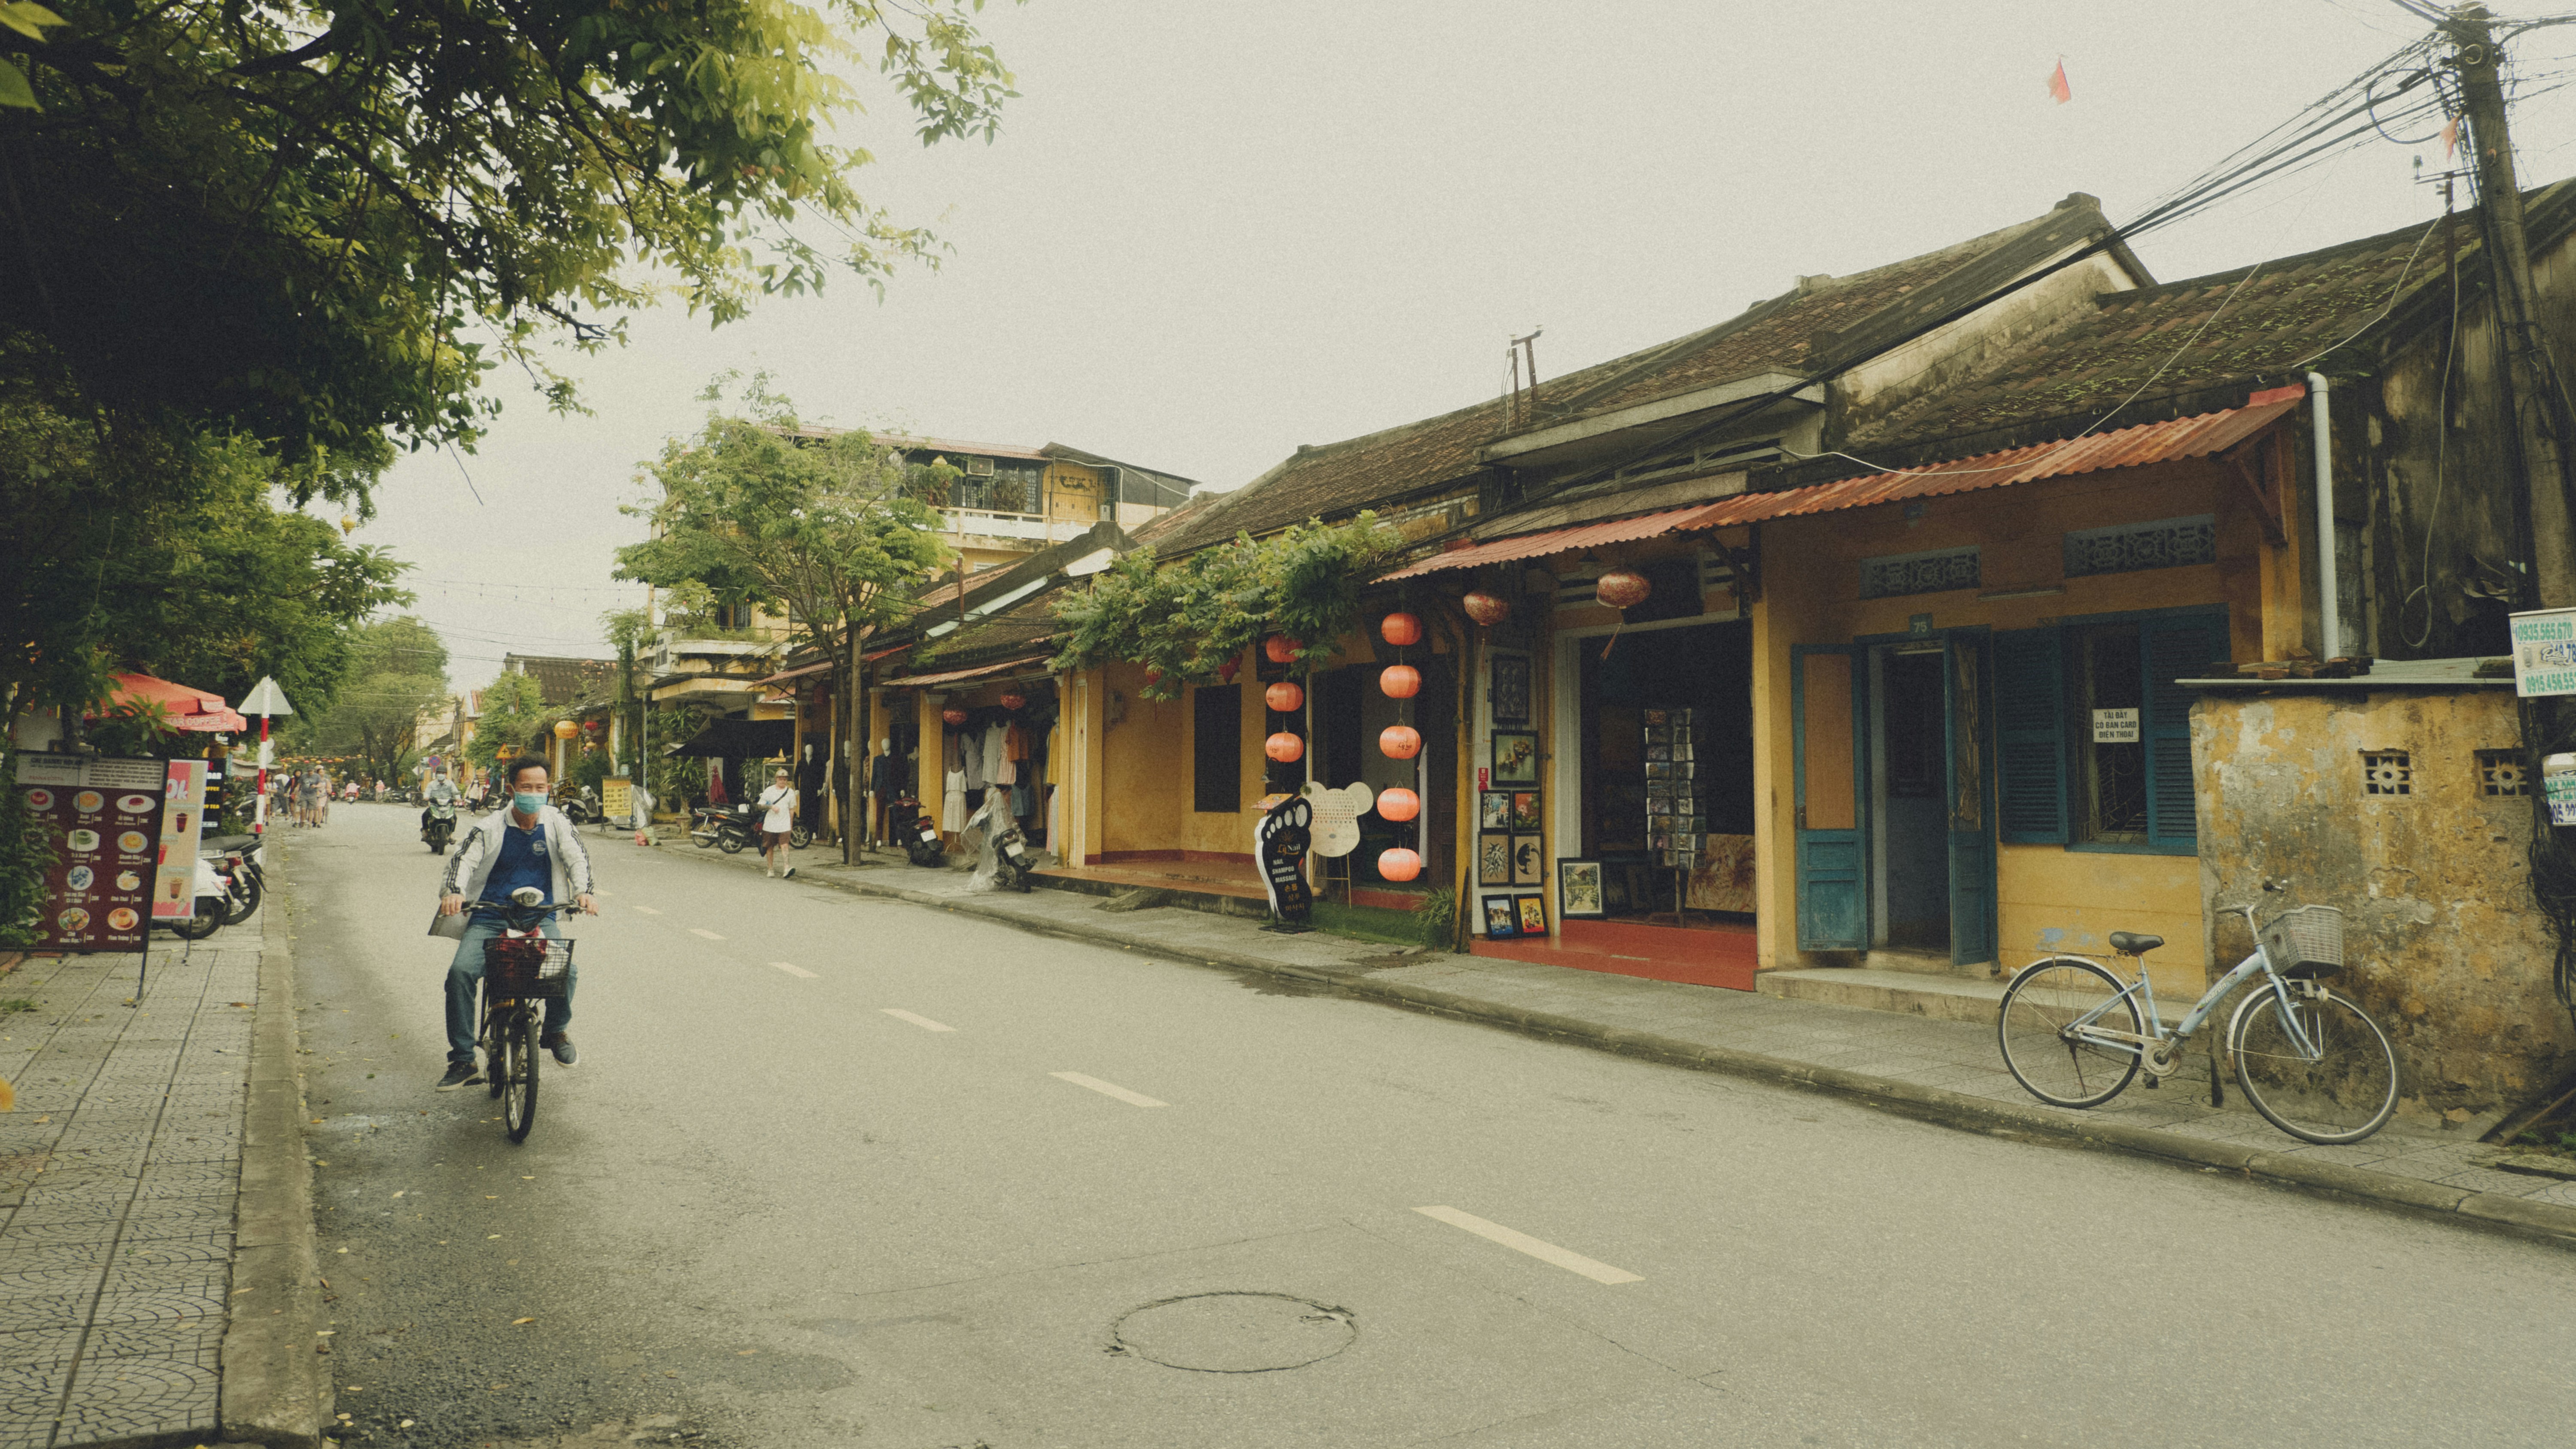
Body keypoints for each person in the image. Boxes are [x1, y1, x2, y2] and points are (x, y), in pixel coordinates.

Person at [434, 756, 596, 1088]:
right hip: (490, 915)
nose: (534, 793)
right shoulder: (489, 826)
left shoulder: (557, 823)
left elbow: (577, 857)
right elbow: (463, 861)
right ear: (512, 789)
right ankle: (463, 1059)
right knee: (461, 973)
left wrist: (584, 892)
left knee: (565, 971)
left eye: (540, 787)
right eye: (527, 787)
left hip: (539, 916)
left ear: (548, 789)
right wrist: (454, 892)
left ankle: (555, 1031)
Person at [757, 765, 797, 879]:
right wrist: (771, 807)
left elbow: (792, 809)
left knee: (785, 845)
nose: (783, 781)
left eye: (785, 779)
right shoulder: (769, 790)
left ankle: (786, 868)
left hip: (784, 824)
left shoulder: (790, 792)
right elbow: (760, 806)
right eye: (780, 779)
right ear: (776, 779)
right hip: (770, 824)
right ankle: (770, 869)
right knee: (770, 847)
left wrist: (790, 824)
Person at [420, 767, 460, 836]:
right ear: (436, 774)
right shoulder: (431, 784)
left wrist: (458, 798)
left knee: (455, 818)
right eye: (439, 773)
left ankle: (450, 834)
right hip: (435, 805)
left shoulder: (450, 783)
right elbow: (427, 792)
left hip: (447, 805)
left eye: (443, 773)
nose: (441, 775)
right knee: (425, 815)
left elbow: (455, 792)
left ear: (446, 774)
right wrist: (426, 797)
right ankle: (426, 831)